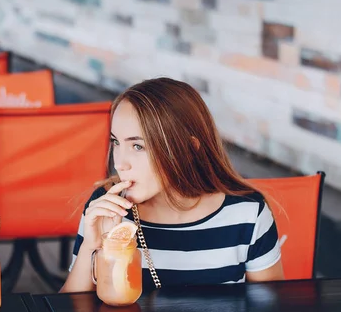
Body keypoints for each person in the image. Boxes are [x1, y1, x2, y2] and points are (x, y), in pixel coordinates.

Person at [61, 77, 284, 293]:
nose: (119, 163)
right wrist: (91, 246)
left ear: (188, 149)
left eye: (138, 146)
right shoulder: (107, 209)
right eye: (116, 142)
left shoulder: (247, 214)